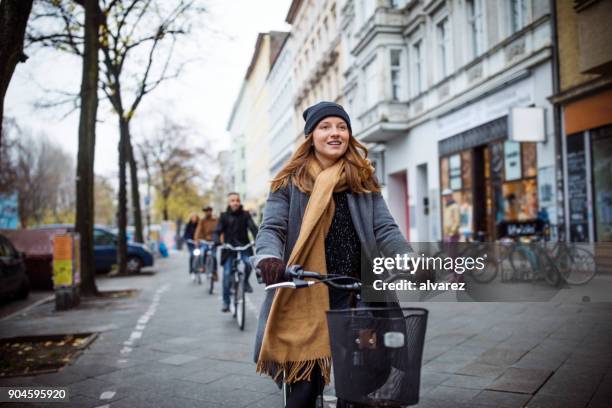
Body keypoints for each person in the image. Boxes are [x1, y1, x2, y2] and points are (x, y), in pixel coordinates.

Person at [252, 101, 410, 407]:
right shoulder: (289, 182)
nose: (335, 133)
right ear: (311, 136)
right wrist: (269, 258)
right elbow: (272, 228)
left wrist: (406, 257)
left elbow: (385, 229)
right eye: (325, 127)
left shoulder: (362, 179)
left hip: (359, 293)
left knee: (367, 382)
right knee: (303, 391)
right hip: (305, 289)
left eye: (342, 127)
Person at [213, 192, 258, 312]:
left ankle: (246, 281)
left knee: (249, 264)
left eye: (237, 200)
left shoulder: (245, 215)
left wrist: (258, 239)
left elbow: (253, 228)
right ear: (229, 203)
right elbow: (217, 231)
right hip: (229, 248)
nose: (235, 203)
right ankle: (226, 302)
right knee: (227, 274)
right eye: (233, 200)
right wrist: (217, 241)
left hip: (244, 246)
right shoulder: (223, 216)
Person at [194, 206, 219, 279]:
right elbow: (198, 230)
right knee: (202, 252)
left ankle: (214, 272)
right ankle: (203, 267)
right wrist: (196, 239)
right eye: (206, 211)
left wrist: (220, 239)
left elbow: (220, 230)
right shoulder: (202, 221)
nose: (207, 212)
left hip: (214, 241)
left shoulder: (216, 220)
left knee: (214, 256)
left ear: (211, 211)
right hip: (205, 241)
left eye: (208, 211)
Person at [183, 213, 199, 280]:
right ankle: (192, 271)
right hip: (191, 244)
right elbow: (185, 234)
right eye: (193, 217)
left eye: (195, 217)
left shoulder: (199, 225)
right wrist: (188, 240)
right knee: (192, 255)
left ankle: (202, 267)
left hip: (198, 243)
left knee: (201, 254)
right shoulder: (188, 225)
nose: (194, 219)